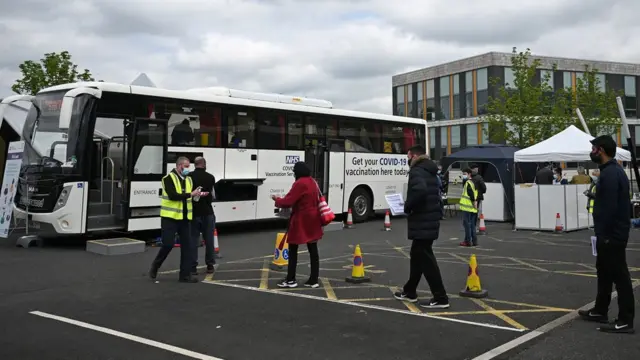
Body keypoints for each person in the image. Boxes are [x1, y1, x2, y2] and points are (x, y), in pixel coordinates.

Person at [578, 135, 635, 334]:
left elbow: (610, 207)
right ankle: (600, 310)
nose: (592, 151)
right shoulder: (610, 171)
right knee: (604, 272)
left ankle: (625, 320)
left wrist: (607, 235)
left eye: (593, 148)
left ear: (600, 150)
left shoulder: (611, 173)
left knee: (619, 276)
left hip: (612, 234)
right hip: (608, 233)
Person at [394, 145, 449, 309]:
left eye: (408, 156)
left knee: (425, 258)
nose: (407, 160)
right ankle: (410, 290)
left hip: (422, 220)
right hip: (430, 219)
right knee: (417, 255)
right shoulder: (430, 170)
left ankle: (440, 297)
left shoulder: (417, 171)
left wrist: (407, 206)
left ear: (413, 155)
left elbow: (420, 191)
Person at [149, 157, 204, 283]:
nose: (187, 169)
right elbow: (173, 196)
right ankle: (155, 266)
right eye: (186, 166)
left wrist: (197, 196)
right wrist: (191, 194)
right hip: (170, 218)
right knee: (168, 244)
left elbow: (190, 197)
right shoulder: (168, 179)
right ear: (179, 166)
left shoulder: (189, 179)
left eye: (189, 166)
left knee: (188, 247)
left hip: (185, 218)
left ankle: (185, 275)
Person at [271, 161, 323, 288]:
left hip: (301, 219)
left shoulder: (300, 183)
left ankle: (291, 279)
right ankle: (314, 279)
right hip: (314, 218)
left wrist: (277, 199)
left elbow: (288, 201)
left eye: (294, 171)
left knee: (293, 248)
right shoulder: (312, 181)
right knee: (313, 249)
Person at [188, 156, 217, 275]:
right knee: (209, 240)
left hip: (194, 212)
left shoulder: (189, 176)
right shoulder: (211, 177)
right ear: (204, 164)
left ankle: (193, 267)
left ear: (195, 165)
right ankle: (210, 265)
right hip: (208, 212)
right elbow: (213, 195)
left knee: (193, 240)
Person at [459, 168, 478, 247]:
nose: (463, 175)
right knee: (472, 225)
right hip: (473, 208)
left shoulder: (468, 183)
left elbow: (471, 194)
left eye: (465, 173)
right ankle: (474, 241)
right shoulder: (474, 182)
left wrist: (474, 201)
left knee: (467, 225)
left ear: (469, 174)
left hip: (467, 207)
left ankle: (468, 241)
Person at [470, 163, 486, 229]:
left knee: (470, 212)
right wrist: (482, 192)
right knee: (475, 212)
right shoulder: (479, 177)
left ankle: (470, 225)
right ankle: (473, 226)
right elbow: (484, 187)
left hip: (469, 197)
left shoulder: (468, 177)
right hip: (477, 197)